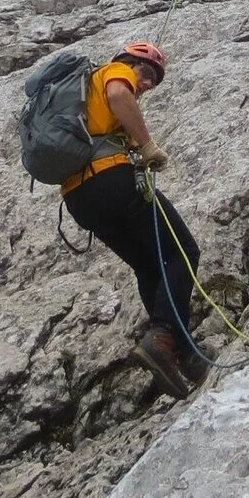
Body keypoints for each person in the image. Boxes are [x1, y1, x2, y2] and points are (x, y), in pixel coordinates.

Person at [60, 41, 205, 399]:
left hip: (80, 199)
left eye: (154, 81)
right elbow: (119, 96)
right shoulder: (112, 72)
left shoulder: (82, 99)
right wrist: (146, 144)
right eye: (146, 74)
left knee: (149, 265)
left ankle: (181, 352)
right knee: (183, 252)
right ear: (129, 62)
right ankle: (164, 338)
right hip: (111, 182)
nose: (148, 84)